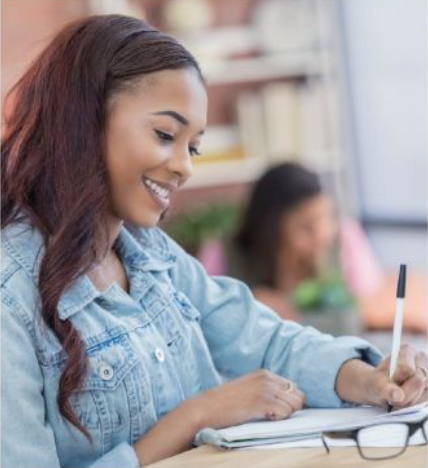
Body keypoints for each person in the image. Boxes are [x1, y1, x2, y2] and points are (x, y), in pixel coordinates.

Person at [1, 15, 426, 468]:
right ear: (84, 122)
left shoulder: (151, 254)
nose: (185, 167)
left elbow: (264, 340)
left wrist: (365, 378)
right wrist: (197, 415)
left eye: (194, 147)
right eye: (166, 135)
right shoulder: (12, 295)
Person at [232, 163, 427, 332]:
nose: (322, 235)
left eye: (327, 218)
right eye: (305, 227)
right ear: (269, 231)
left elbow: (368, 302)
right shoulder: (228, 254)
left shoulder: (344, 237)